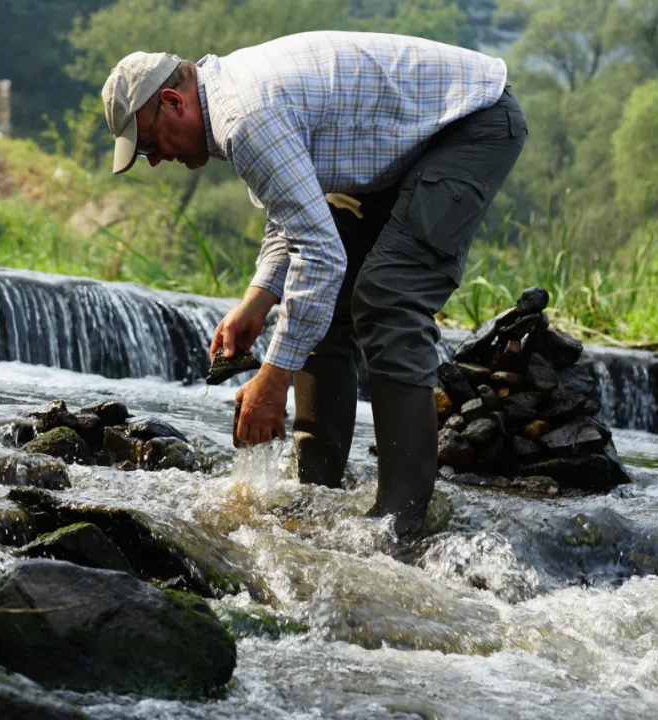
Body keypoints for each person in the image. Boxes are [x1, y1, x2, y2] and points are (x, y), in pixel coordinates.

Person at [101, 31, 527, 539]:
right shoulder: (233, 101)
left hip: (471, 123)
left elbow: (320, 255)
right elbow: (299, 220)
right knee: (328, 303)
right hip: (414, 144)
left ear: (173, 102)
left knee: (386, 299)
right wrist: (257, 299)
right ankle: (315, 490)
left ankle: (401, 519)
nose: (153, 159)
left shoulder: (245, 116)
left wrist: (271, 382)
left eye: (148, 143)